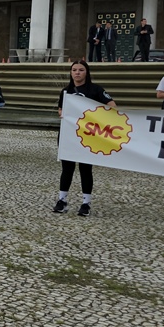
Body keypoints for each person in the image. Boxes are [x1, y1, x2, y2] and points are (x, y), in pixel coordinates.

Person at [55, 61, 116, 217]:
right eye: (74, 70)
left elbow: (112, 106)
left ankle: (86, 202)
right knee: (67, 169)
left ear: (86, 72)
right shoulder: (66, 91)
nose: (77, 73)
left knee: (85, 169)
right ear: (70, 73)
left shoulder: (96, 90)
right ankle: (62, 200)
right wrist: (61, 112)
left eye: (81, 70)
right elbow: (60, 109)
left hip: (88, 137)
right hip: (69, 135)